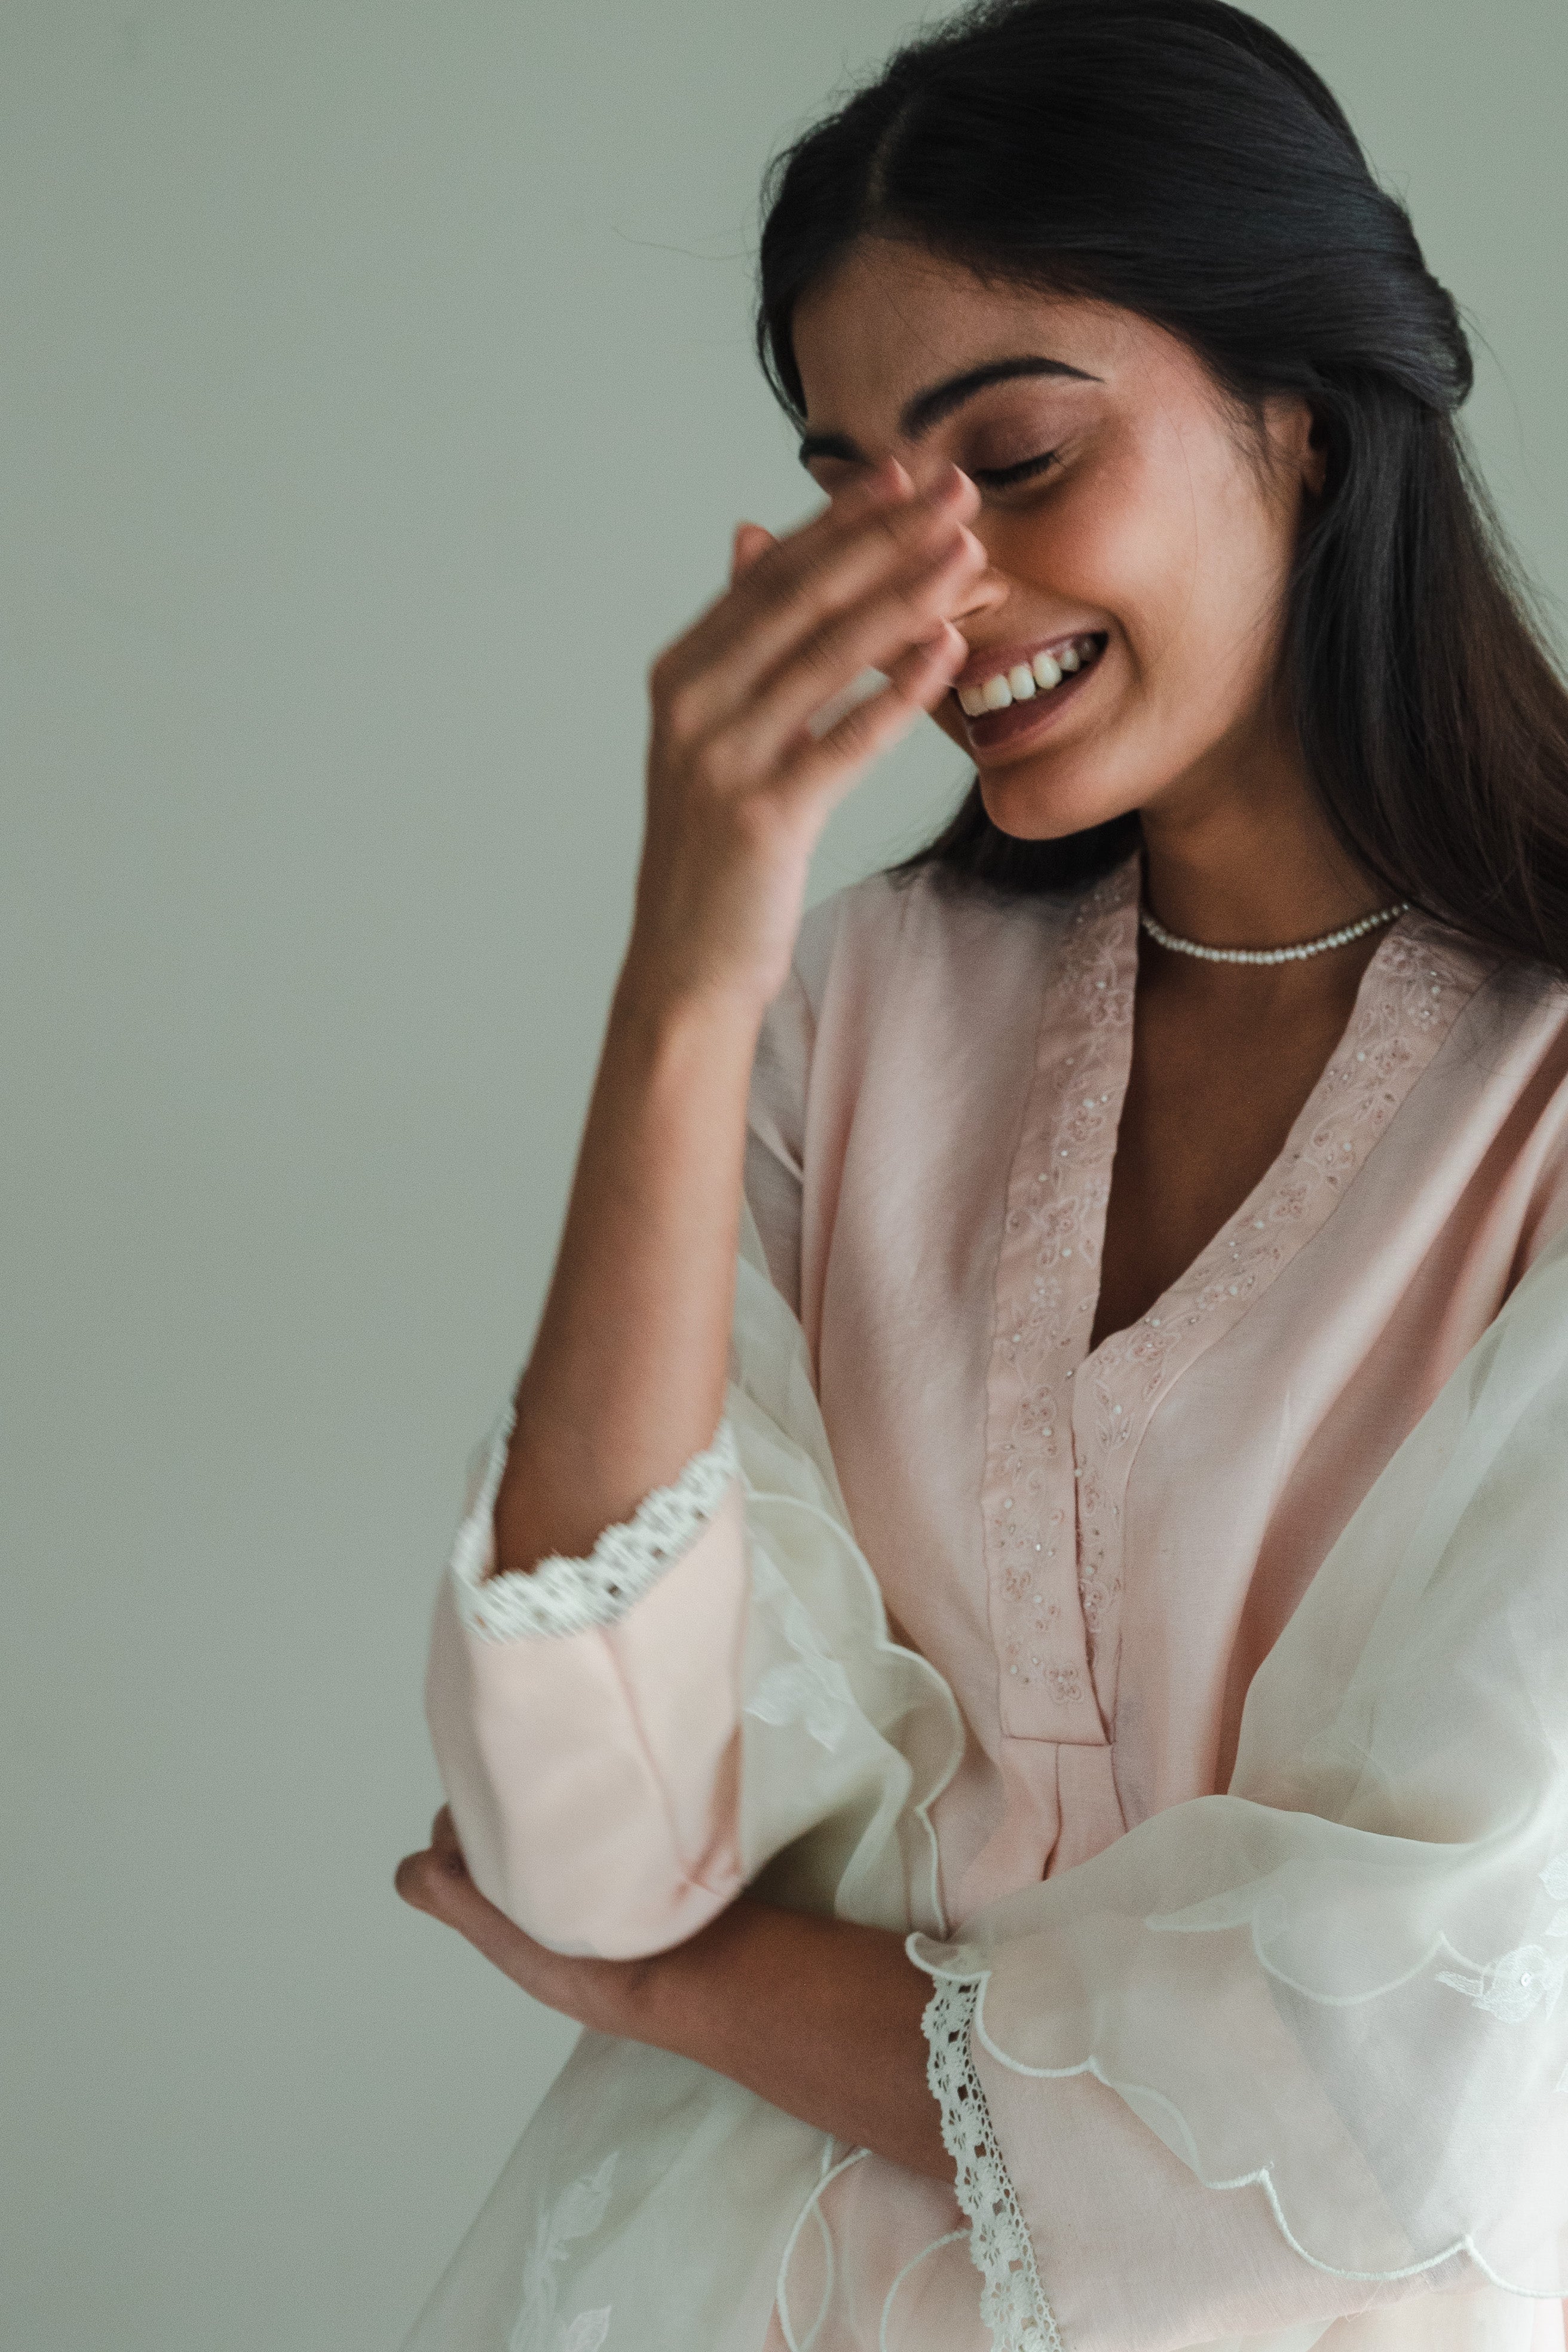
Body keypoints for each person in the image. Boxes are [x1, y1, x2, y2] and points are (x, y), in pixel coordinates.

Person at [393, 4, 1568, 2345]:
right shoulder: (852, 1010)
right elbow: (585, 1838)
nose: (933, 591)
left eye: (1014, 458)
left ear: (1299, 416)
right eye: (856, 492)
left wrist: (703, 2000)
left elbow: (1387, 2106)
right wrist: (685, 978)